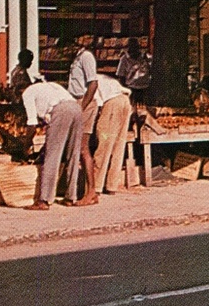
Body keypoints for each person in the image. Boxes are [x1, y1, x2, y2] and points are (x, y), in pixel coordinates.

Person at [22, 80, 84, 211]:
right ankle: (71, 196)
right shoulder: (50, 86)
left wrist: (26, 144)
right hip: (76, 108)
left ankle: (44, 199)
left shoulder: (27, 93)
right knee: (73, 153)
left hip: (61, 110)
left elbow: (32, 124)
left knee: (52, 156)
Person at [63, 34, 100, 206]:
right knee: (76, 147)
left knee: (83, 148)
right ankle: (79, 190)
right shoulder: (75, 59)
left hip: (84, 102)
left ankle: (91, 191)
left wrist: (82, 106)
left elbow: (93, 84)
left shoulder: (86, 57)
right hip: (75, 101)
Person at [92, 74, 132, 196]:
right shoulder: (104, 78)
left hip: (112, 104)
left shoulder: (91, 81)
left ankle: (96, 186)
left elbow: (96, 104)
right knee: (118, 144)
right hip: (125, 102)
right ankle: (111, 185)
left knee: (104, 144)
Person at [116, 37, 151, 105]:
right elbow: (121, 75)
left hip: (145, 87)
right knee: (132, 108)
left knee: (145, 109)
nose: (133, 50)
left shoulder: (146, 57)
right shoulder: (124, 59)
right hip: (132, 88)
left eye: (135, 47)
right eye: (131, 48)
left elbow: (151, 70)